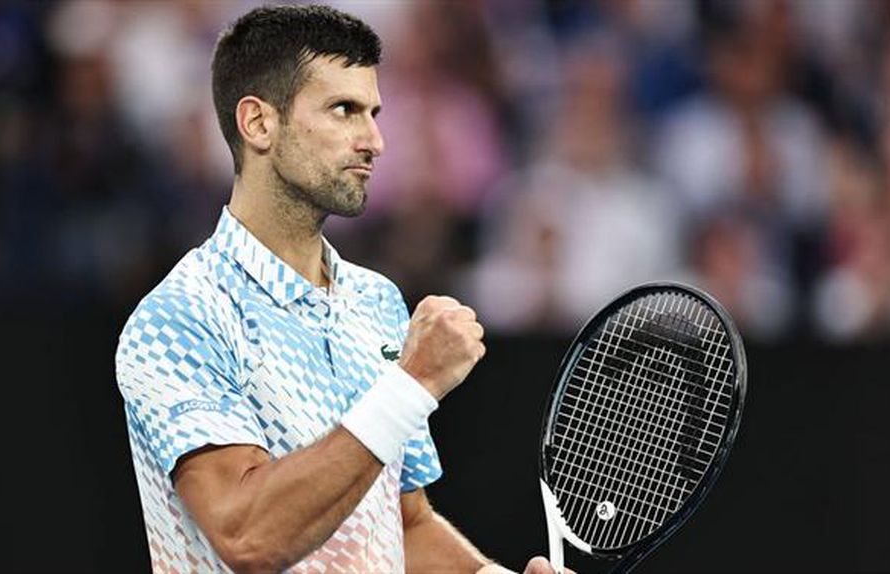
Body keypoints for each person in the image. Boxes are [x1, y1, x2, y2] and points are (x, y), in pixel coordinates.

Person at [115, 5, 563, 573]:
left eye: (374, 113)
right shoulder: (179, 318)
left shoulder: (377, 302)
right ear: (258, 123)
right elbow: (247, 537)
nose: (375, 140)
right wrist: (410, 384)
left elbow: (403, 526)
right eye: (344, 110)